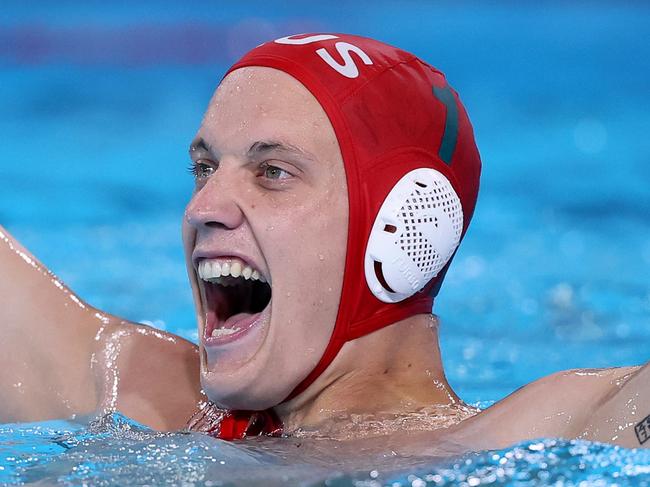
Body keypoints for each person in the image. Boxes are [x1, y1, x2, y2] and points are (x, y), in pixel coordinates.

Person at [1, 33, 648, 453]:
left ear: (401, 233)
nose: (202, 208)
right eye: (204, 168)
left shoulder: (528, 436)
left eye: (271, 172)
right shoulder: (144, 395)